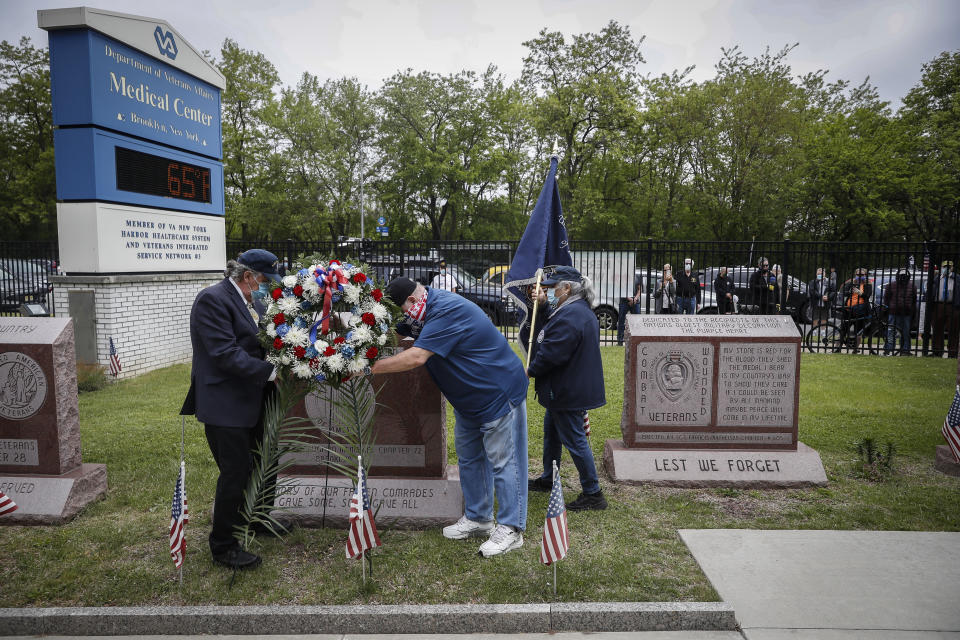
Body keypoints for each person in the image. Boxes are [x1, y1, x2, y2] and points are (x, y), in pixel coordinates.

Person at [372, 276, 528, 557]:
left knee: (505, 461)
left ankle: (511, 528)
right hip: (468, 399)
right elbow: (399, 334)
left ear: (412, 300)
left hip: (496, 391)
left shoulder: (446, 309)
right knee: (469, 457)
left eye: (403, 309)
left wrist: (368, 368)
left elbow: (416, 357)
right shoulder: (421, 311)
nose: (404, 316)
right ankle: (479, 518)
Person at [181, 249, 283, 571]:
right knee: (236, 471)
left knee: (266, 459)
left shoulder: (255, 301)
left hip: (257, 398)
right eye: (266, 280)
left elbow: (266, 340)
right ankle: (223, 545)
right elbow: (225, 354)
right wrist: (271, 371)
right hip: (226, 402)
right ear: (248, 276)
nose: (268, 288)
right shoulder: (212, 300)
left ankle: (258, 518)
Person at [525, 266, 607, 511]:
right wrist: (542, 304)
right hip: (563, 389)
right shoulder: (573, 309)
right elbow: (553, 324)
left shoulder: (572, 314)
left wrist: (529, 371)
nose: (549, 291)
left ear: (567, 288)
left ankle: (593, 493)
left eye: (552, 288)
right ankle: (549, 478)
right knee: (552, 434)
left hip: (567, 391)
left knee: (575, 440)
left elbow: (552, 353)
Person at [884, 268, 916, 356]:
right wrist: (888, 309)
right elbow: (886, 299)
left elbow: (914, 301)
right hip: (893, 312)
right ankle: (889, 349)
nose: (903, 278)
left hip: (906, 313)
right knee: (891, 331)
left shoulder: (912, 286)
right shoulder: (891, 285)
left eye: (905, 276)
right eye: (901, 276)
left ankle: (905, 350)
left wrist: (912, 312)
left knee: (905, 332)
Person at [931, 260, 960, 358]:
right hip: (938, 305)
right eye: (945, 266)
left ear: (952, 268)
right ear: (941, 267)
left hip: (952, 305)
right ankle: (937, 351)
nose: (947, 268)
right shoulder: (937, 278)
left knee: (953, 330)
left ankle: (952, 352)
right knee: (937, 328)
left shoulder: (957, 278)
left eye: (949, 267)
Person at [841, 268, 872, 351]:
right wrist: (849, 292)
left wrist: (860, 293)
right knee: (843, 329)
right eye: (858, 275)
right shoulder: (851, 282)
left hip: (860, 310)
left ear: (865, 275)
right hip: (848, 309)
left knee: (858, 331)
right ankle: (837, 347)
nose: (860, 276)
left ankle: (856, 349)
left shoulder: (868, 284)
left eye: (862, 275)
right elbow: (843, 292)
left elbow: (867, 296)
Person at [617, 271, 643, 345]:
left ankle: (636, 340)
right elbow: (619, 289)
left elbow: (639, 289)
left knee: (637, 321)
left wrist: (635, 298)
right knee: (621, 321)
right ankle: (620, 341)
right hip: (624, 301)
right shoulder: (622, 277)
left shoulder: (637, 276)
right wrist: (629, 298)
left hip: (635, 301)